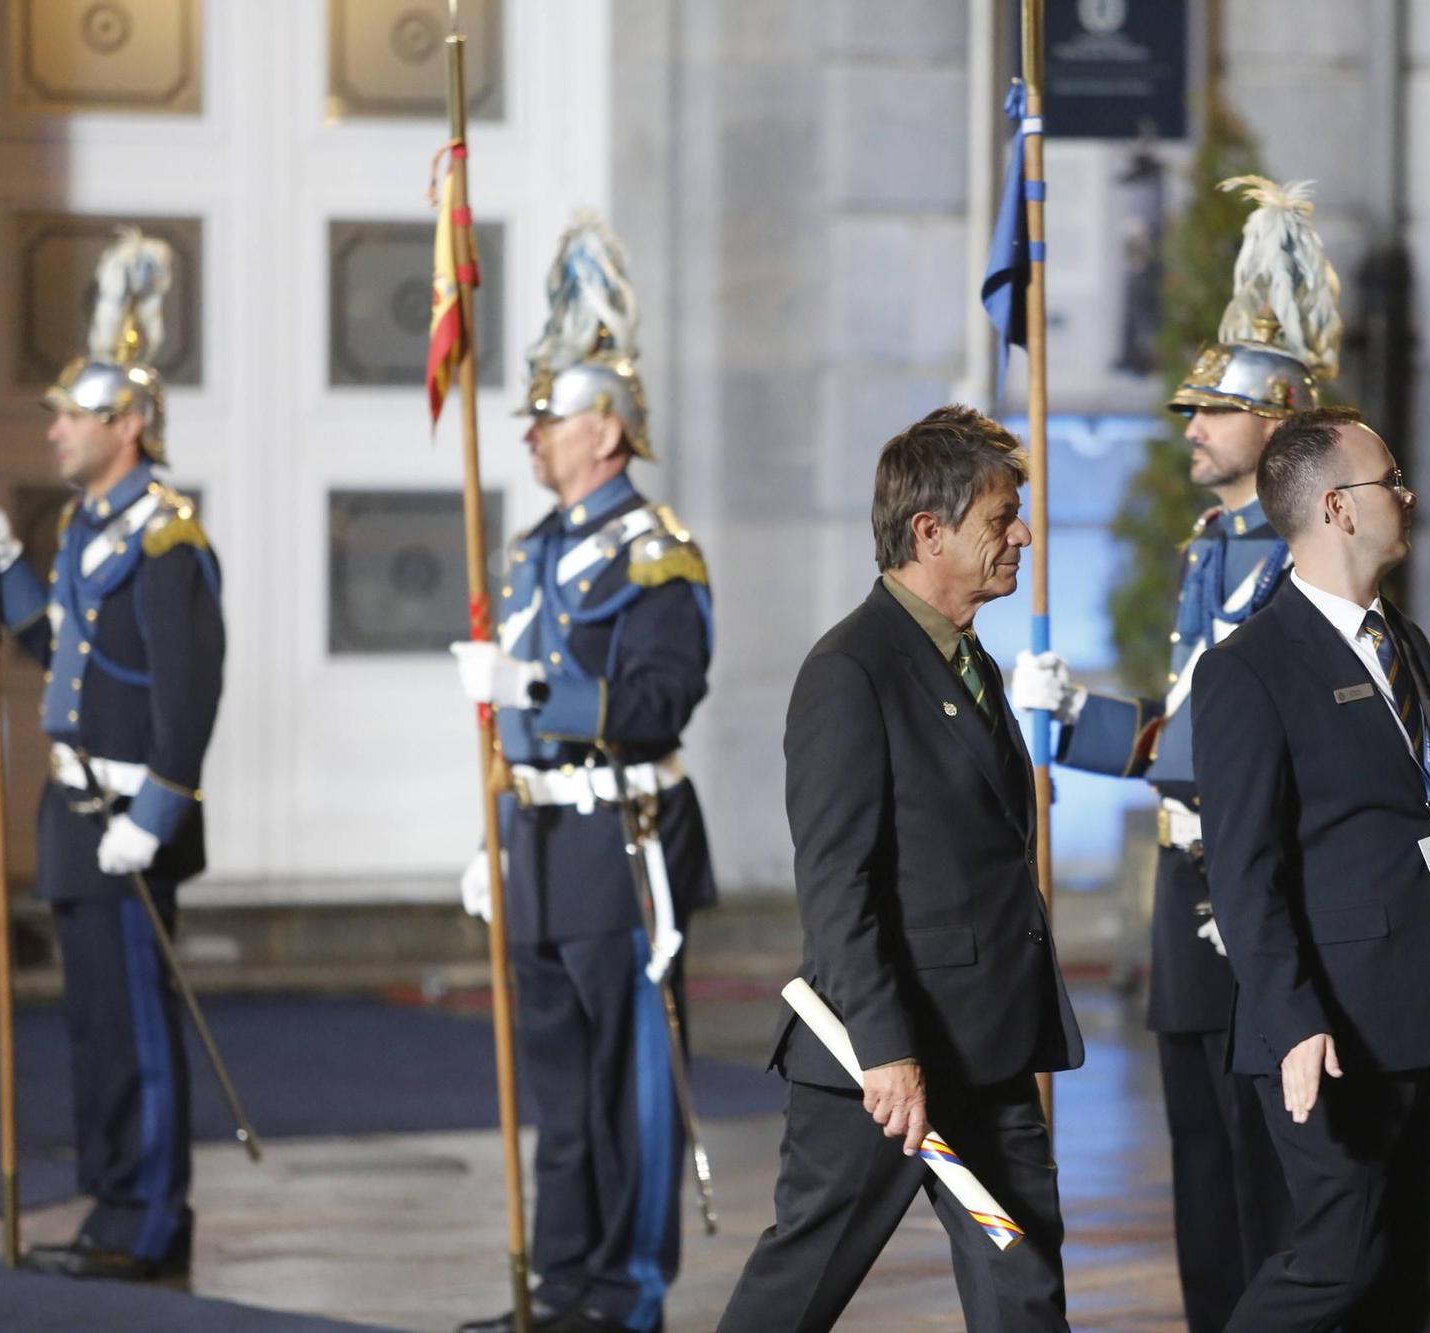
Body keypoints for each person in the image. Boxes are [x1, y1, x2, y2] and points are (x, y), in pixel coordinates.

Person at [1008, 175, 1344, 1331]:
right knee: (1199, 1165)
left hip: (1261, 890)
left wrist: (1106, 730)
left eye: (1214, 410)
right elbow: (1190, 718)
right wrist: (1076, 716)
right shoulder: (1213, 545)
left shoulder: (1302, 556)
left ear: (1282, 417)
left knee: (1269, 1169)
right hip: (1189, 884)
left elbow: (1225, 740)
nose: (1189, 427)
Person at [717, 405, 1084, 1333]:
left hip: (989, 1048)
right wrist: (886, 1050)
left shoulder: (971, 662)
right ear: (931, 532)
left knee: (1024, 1281)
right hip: (885, 1065)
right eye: (1003, 518)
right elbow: (837, 884)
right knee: (799, 1287)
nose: (1024, 535)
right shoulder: (852, 669)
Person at [1191, 409, 1430, 1330]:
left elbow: (1410, 821)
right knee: (1339, 1261)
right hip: (1329, 1033)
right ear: (1338, 507)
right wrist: (1292, 1019)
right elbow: (1244, 871)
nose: (1409, 495)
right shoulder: (1248, 671)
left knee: (1408, 1281)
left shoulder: (1404, 644)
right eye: (1392, 480)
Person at [449, 216, 716, 1333]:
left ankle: (625, 1296)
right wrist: (492, 827)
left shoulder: (657, 550)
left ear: (603, 428)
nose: (529, 435)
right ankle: (559, 1288)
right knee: (560, 1096)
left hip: (622, 843)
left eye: (548, 417)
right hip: (542, 846)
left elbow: (663, 697)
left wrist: (533, 694)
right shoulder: (527, 554)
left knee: (629, 1092)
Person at [0, 229, 224, 1281]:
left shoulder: (169, 538)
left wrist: (158, 814)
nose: (54, 427)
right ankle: (110, 1204)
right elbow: (59, 654)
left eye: (73, 413)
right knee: (91, 1033)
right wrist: (4, 569)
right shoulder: (86, 531)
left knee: (136, 1027)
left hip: (130, 817)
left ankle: (151, 1217)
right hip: (74, 816)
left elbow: (189, 689)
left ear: (127, 424)